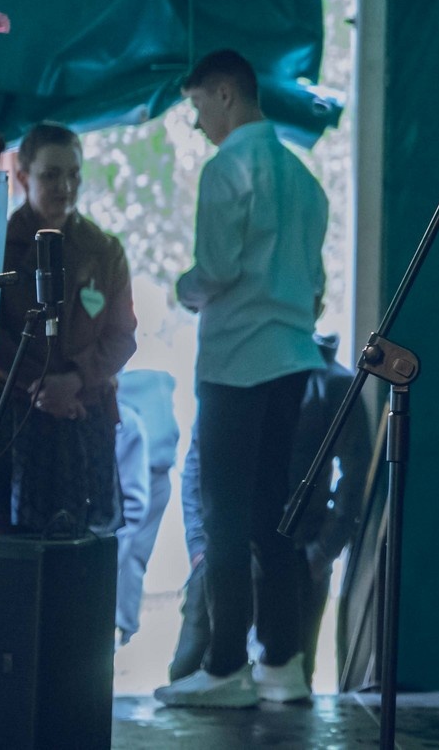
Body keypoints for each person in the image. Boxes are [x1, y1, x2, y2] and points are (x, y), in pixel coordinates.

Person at [154, 49, 329, 709]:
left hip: (234, 364)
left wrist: (183, 289)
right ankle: (284, 664)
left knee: (223, 515)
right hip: (292, 359)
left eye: (198, 104)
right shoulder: (305, 179)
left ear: (225, 93)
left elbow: (218, 268)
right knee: (273, 514)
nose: (198, 121)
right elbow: (315, 287)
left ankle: (226, 666)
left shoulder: (227, 168)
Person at [168, 334, 369, 690]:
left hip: (298, 553)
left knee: (285, 684)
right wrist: (199, 546)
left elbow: (356, 473)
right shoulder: (232, 376)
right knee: (190, 671)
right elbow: (198, 465)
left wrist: (322, 550)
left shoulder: (332, 383)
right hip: (223, 554)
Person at [0, 124, 139, 535]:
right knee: (13, 547)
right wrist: (42, 388)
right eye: (51, 175)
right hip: (16, 418)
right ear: (23, 176)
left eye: (74, 174)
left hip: (84, 413)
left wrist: (75, 380)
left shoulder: (104, 249)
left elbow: (123, 336)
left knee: (85, 548)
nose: (65, 187)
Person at [114, 368, 180, 644]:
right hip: (142, 470)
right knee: (127, 552)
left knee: (132, 554)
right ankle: (118, 627)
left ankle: (123, 627)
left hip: (153, 472)